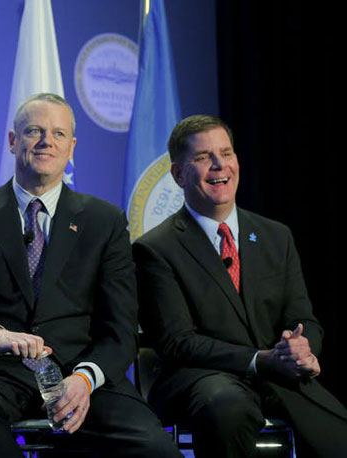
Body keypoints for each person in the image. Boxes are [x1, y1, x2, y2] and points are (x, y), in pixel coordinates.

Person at [0, 93, 180, 458]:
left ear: (71, 147)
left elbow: (120, 327)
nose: (46, 142)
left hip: (80, 372)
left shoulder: (104, 221)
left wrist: (85, 379)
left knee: (155, 448)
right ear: (13, 141)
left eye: (58, 134)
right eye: (34, 131)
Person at [133, 114, 347, 457]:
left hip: (277, 376)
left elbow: (304, 319)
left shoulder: (276, 237)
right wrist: (261, 359)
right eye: (204, 157)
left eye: (227, 153)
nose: (220, 166)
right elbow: (178, 343)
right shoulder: (155, 249)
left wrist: (303, 349)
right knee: (227, 409)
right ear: (177, 174)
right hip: (200, 380)